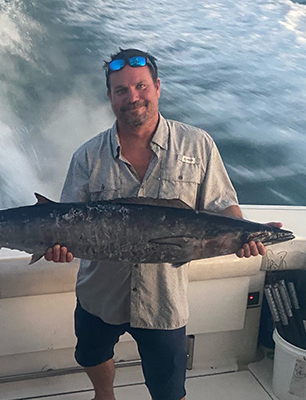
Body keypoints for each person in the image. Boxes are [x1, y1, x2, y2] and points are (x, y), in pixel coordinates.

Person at [45, 48, 281, 400]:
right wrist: (56, 248)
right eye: (121, 90)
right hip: (100, 293)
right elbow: (63, 221)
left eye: (140, 86)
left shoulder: (198, 145)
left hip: (163, 301)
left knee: (170, 389)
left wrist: (244, 234)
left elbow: (222, 206)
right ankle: (104, 396)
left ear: (157, 86)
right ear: (110, 96)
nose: (132, 97)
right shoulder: (87, 156)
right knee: (92, 354)